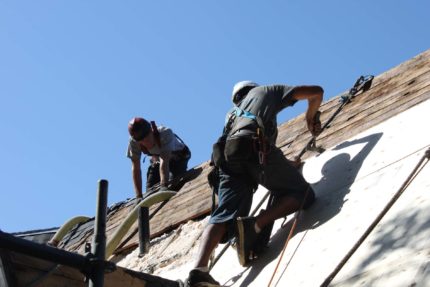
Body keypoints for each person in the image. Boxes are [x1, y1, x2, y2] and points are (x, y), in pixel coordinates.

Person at [186, 81, 323, 287]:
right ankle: (255, 225)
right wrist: (310, 116)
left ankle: (198, 270)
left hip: (228, 158)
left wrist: (286, 164)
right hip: (253, 147)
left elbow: (249, 153)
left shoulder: (231, 116)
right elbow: (316, 92)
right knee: (302, 193)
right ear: (252, 89)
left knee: (223, 213)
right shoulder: (266, 91)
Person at [127, 117, 191, 198]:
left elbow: (164, 160)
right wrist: (138, 196)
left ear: (151, 130)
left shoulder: (165, 133)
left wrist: (164, 186)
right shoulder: (134, 142)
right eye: (142, 140)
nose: (146, 141)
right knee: (150, 191)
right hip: (158, 161)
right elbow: (136, 169)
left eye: (147, 137)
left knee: (174, 185)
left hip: (178, 158)